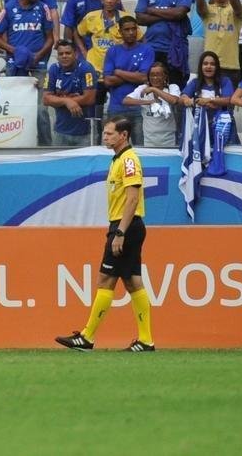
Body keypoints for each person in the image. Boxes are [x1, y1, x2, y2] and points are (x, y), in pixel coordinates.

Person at [56, 116, 155, 352]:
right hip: (125, 226)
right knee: (132, 282)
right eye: (105, 133)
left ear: (124, 135)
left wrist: (120, 231)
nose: (105, 136)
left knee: (105, 279)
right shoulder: (118, 159)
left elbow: (132, 198)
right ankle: (146, 340)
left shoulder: (129, 160)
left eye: (110, 133)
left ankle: (87, 337)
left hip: (125, 226)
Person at [134, 0, 193, 87]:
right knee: (151, 88)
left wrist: (152, 9)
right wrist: (168, 12)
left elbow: (179, 13)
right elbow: (140, 18)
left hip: (175, 48)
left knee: (175, 88)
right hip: (152, 48)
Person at [43, 40, 99, 147]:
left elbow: (89, 98)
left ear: (75, 53)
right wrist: (66, 101)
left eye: (68, 53)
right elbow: (46, 99)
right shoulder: (54, 69)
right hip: (60, 132)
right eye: (61, 54)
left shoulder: (86, 68)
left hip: (85, 133)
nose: (64, 56)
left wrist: (59, 100)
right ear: (57, 56)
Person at [196, 0, 242, 85]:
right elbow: (200, 6)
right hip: (209, 66)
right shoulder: (207, 10)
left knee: (229, 101)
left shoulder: (235, 9)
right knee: (208, 100)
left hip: (231, 66)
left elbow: (238, 9)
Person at [123, 63, 182, 148]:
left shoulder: (172, 87)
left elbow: (173, 100)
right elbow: (126, 101)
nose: (155, 78)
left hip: (169, 138)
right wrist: (149, 102)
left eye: (158, 75)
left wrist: (154, 89)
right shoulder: (143, 88)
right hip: (148, 139)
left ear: (165, 76)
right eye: (152, 75)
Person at [74, 0, 123, 74]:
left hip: (117, 70)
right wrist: (84, 52)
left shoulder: (126, 18)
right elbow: (77, 32)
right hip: (94, 68)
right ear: (101, 0)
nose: (109, 1)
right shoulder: (91, 17)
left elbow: (139, 39)